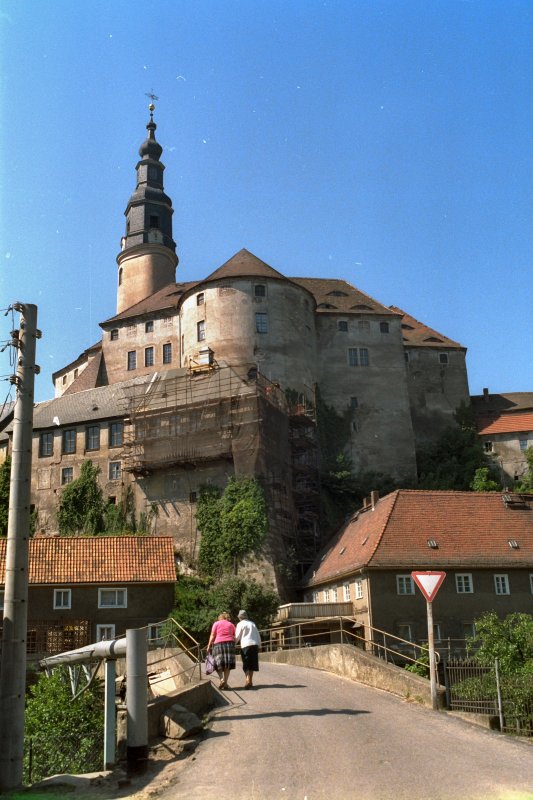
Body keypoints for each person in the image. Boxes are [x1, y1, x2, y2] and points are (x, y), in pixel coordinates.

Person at [206, 611, 236, 690]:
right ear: (226, 617)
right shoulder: (231, 624)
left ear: (220, 617)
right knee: (227, 665)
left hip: (218, 644)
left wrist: (209, 645)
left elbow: (212, 635)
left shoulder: (216, 623)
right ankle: (225, 683)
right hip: (229, 644)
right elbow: (234, 635)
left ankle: (222, 679)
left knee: (217, 663)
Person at [234, 609, 261, 689]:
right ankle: (250, 681)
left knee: (246, 663)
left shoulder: (240, 624)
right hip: (254, 644)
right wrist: (259, 645)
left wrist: (233, 643)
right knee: (252, 663)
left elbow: (237, 636)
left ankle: (247, 680)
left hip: (246, 645)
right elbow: (257, 635)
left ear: (240, 617)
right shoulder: (252, 623)